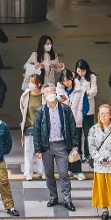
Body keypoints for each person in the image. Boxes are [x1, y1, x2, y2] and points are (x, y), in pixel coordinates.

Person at [34, 83, 80, 211]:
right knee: (49, 173)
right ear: (44, 95)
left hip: (62, 145)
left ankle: (67, 199)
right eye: (47, 92)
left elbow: (72, 127)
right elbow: (36, 131)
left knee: (64, 173)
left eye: (52, 91)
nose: (50, 94)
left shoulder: (65, 109)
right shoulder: (40, 111)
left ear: (56, 92)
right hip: (46, 147)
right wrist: (38, 149)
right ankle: (53, 197)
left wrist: (75, 145)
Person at [88, 103, 111, 220]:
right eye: (101, 114)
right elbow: (91, 147)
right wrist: (99, 158)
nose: (103, 116)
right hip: (100, 165)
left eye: (106, 114)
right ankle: (104, 209)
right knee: (102, 188)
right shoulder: (93, 129)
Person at [19, 72, 46, 180]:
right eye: (29, 82)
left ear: (39, 84)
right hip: (29, 126)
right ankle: (28, 173)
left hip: (41, 127)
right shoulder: (26, 94)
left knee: (42, 151)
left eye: (33, 82)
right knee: (28, 150)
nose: (30, 85)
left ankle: (42, 171)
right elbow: (22, 108)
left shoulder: (44, 95)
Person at [72, 60, 98, 156]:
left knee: (88, 132)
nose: (81, 73)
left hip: (88, 108)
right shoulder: (74, 77)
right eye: (79, 71)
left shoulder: (92, 76)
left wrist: (84, 93)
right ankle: (78, 153)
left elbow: (94, 91)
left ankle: (87, 154)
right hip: (76, 108)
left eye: (83, 71)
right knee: (77, 132)